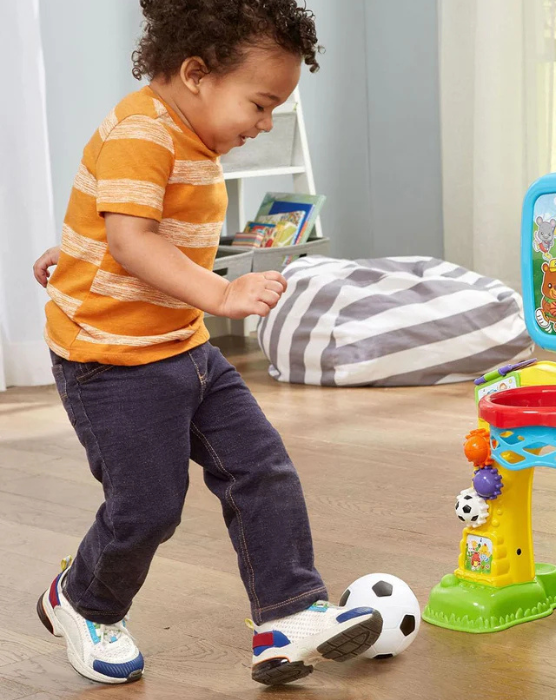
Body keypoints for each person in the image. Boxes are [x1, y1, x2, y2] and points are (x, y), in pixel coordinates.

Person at [31, 0, 380, 686]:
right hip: (111, 362)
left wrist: (75, 247)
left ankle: (288, 614)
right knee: (148, 506)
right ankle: (82, 601)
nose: (265, 123)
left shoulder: (192, 138)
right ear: (196, 73)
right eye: (260, 104)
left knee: (261, 468)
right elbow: (132, 238)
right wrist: (222, 296)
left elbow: (124, 220)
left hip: (183, 349)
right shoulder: (143, 130)